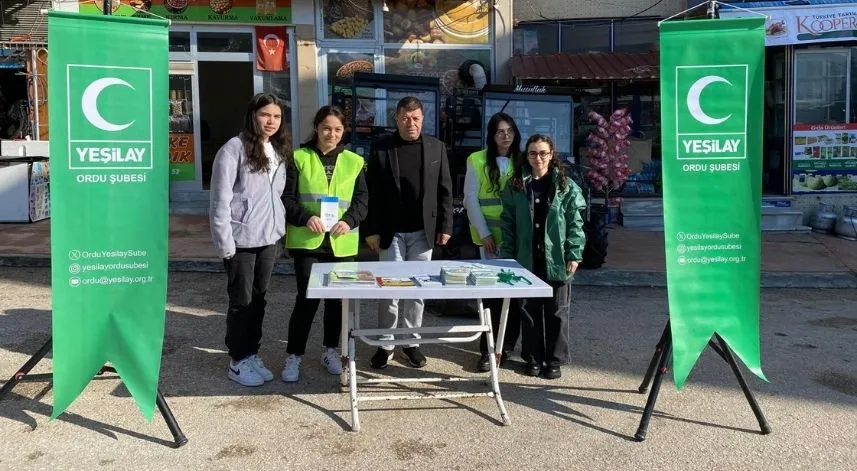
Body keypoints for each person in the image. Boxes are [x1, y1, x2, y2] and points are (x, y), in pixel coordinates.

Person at [364, 96, 453, 369]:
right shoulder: (381, 149)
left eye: (415, 118)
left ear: (423, 119)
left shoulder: (436, 148)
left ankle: (411, 343)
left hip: (422, 232)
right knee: (388, 290)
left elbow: (445, 191)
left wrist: (446, 227)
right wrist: (370, 230)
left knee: (417, 290)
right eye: (405, 118)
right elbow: (371, 193)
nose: (410, 123)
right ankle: (386, 344)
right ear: (396, 119)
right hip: (390, 233)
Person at [281, 106, 368, 382]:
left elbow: (362, 202)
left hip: (341, 242)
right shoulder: (298, 157)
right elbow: (286, 198)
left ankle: (331, 350)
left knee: (336, 304)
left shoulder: (355, 161)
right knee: (306, 301)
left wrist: (350, 220)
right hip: (309, 242)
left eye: (338, 129)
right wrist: (306, 217)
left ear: (344, 131)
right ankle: (294, 356)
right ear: (317, 127)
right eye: (327, 127)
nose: (332, 133)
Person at [209, 93, 290, 387]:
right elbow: (220, 199)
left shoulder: (277, 149)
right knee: (240, 301)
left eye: (277, 117)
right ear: (252, 115)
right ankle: (238, 359)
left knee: (259, 299)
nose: (271, 122)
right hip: (241, 239)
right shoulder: (233, 149)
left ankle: (252, 353)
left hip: (269, 237)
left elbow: (275, 195)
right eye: (265, 115)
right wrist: (225, 243)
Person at [500, 134, 586, 380]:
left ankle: (554, 360)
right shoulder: (516, 185)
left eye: (543, 153)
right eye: (532, 153)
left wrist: (575, 253)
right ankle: (533, 358)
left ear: (552, 155)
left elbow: (575, 223)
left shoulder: (565, 185)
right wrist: (508, 256)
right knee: (529, 309)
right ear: (526, 156)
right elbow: (508, 223)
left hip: (557, 257)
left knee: (557, 310)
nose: (538, 158)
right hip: (526, 257)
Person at [463, 112, 523, 372]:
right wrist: (485, 233)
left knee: (514, 296)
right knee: (491, 298)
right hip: (488, 241)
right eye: (500, 131)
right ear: (491, 134)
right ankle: (488, 350)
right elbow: (470, 199)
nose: (505, 135)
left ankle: (506, 348)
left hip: (516, 240)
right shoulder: (476, 160)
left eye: (509, 130)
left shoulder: (523, 159)